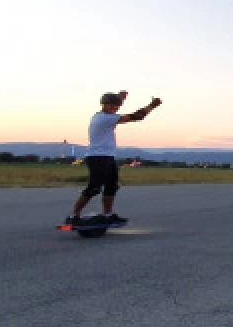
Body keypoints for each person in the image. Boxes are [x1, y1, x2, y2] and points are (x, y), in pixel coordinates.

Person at [66, 91, 162, 226]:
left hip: (107, 157)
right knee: (94, 188)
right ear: (103, 105)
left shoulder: (104, 114)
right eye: (111, 105)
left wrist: (120, 98)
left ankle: (108, 215)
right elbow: (137, 116)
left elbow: (115, 105)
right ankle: (73, 216)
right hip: (98, 157)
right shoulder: (104, 118)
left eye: (116, 106)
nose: (114, 108)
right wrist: (152, 106)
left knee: (111, 186)